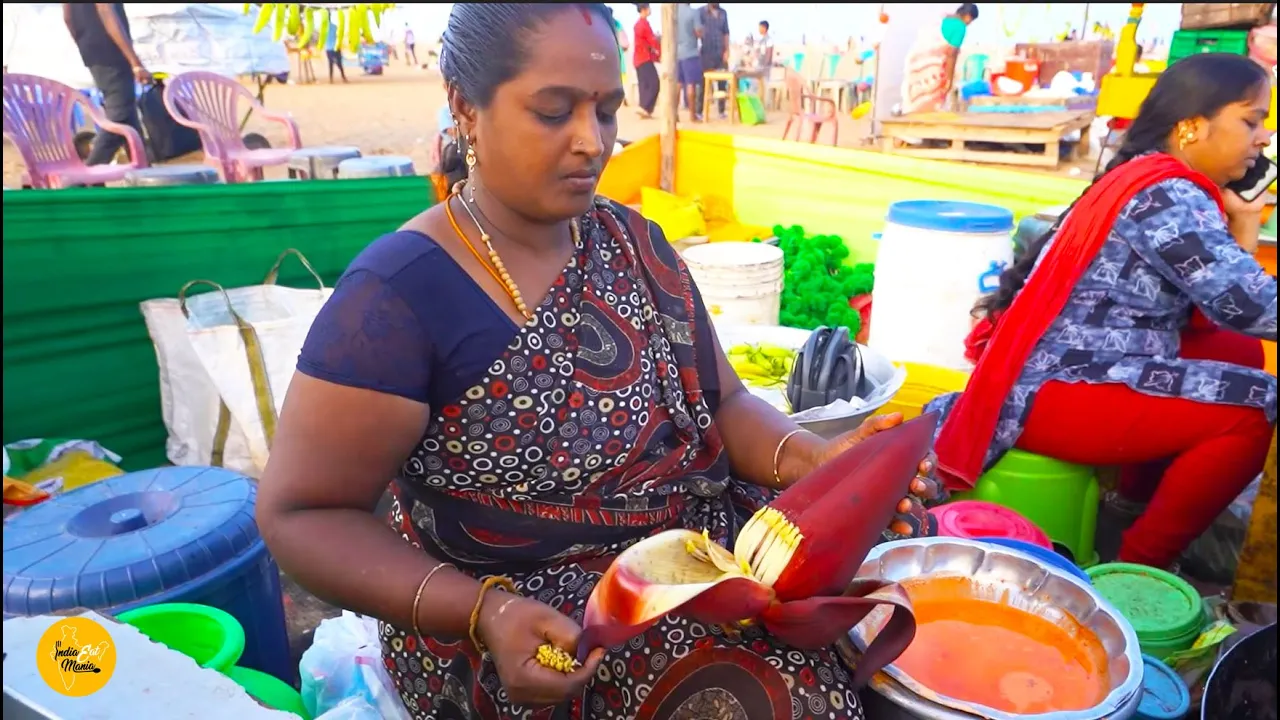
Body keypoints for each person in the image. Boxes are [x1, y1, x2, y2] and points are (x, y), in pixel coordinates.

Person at [257, 4, 941, 718]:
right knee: (773, 696)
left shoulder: (633, 244)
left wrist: (817, 463)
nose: (593, 142)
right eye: (554, 112)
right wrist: (481, 615)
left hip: (688, 554)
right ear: (465, 104)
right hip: (516, 612)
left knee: (894, 565)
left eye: (609, 111)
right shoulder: (400, 294)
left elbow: (725, 404)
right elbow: (302, 514)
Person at [929, 53, 1278, 571]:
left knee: (1242, 351)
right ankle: (1142, 562)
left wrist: (1243, 223)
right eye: (1250, 120)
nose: (1263, 139)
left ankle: (1132, 500)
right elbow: (1248, 303)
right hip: (1056, 390)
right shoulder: (1169, 197)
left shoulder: (1149, 176)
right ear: (1191, 126)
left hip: (1061, 362)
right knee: (1257, 405)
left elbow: (1222, 308)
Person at [62, 3, 151, 166]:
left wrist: (84, 44)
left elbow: (68, 18)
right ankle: (86, 177)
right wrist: (134, 61)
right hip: (113, 50)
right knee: (120, 117)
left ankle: (143, 169)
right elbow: (105, 10)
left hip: (91, 50)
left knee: (128, 115)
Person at [899, 3, 978, 115]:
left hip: (915, 62)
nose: (969, 23)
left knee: (914, 101)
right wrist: (949, 79)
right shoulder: (960, 27)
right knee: (931, 103)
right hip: (931, 65)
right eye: (971, 20)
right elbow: (952, 53)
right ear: (968, 16)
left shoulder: (944, 19)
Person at [697, 3, 731, 120]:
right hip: (706, 53)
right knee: (703, 84)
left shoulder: (723, 13)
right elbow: (695, 30)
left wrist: (727, 50)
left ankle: (721, 111)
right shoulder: (700, 12)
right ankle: (699, 111)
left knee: (722, 83)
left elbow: (726, 32)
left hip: (720, 53)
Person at [675, 2, 703, 122]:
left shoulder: (674, 12)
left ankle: (674, 113)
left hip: (676, 53)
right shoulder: (693, 12)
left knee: (678, 84)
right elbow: (698, 32)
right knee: (690, 84)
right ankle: (692, 115)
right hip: (690, 52)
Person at [632, 3, 661, 118]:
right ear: (644, 9)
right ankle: (645, 107)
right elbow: (652, 40)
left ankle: (644, 109)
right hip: (644, 58)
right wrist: (660, 52)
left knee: (644, 85)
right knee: (654, 83)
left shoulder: (637, 24)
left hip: (638, 58)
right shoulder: (644, 24)